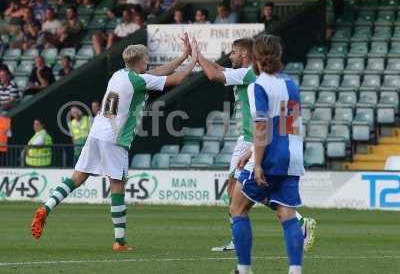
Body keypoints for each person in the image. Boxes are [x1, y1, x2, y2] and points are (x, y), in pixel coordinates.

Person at [31, 33, 199, 251]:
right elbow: (174, 80)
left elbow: (156, 74)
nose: (148, 63)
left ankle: (46, 207)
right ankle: (119, 241)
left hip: (97, 132)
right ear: (140, 62)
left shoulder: (120, 75)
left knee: (77, 178)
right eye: (146, 59)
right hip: (115, 138)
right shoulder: (138, 80)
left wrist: (182, 56)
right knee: (117, 186)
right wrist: (193, 61)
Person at [194, 37, 316, 253]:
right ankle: (294, 222)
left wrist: (196, 54)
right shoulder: (248, 74)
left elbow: (213, 74)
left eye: (233, 52)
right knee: (242, 189)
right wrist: (199, 58)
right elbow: (219, 68)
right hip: (250, 138)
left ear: (244, 55)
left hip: (252, 139)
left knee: (236, 190)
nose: (230, 56)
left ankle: (246, 239)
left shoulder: (248, 74)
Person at [229, 34, 306, 274]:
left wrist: (258, 162)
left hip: (270, 155)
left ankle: (244, 270)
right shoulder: (291, 84)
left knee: (237, 208)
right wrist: (252, 151)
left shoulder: (257, 85)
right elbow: (286, 124)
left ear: (255, 58)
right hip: (293, 155)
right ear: (279, 55)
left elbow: (261, 125)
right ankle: (295, 271)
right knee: (287, 213)